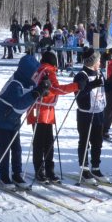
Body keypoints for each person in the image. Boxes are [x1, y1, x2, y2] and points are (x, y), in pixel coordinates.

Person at [0, 54, 48, 188]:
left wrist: (42, 88)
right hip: (1, 118)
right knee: (5, 148)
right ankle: (4, 177)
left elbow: (34, 95)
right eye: (35, 73)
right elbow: (20, 103)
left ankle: (17, 174)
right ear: (27, 72)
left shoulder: (28, 82)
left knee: (17, 149)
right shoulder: (15, 84)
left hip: (13, 119)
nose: (36, 75)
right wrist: (35, 93)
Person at [28, 51, 80, 184]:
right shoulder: (48, 71)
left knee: (44, 141)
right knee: (43, 142)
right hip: (42, 109)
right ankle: (43, 171)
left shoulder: (39, 69)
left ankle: (45, 170)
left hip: (41, 108)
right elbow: (56, 89)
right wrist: (76, 86)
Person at [74, 48, 106, 180]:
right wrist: (92, 85)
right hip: (85, 114)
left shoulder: (99, 73)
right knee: (85, 141)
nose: (100, 62)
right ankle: (84, 168)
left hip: (99, 111)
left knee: (97, 141)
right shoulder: (81, 75)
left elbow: (105, 87)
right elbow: (79, 94)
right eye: (98, 60)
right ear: (93, 61)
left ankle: (96, 167)